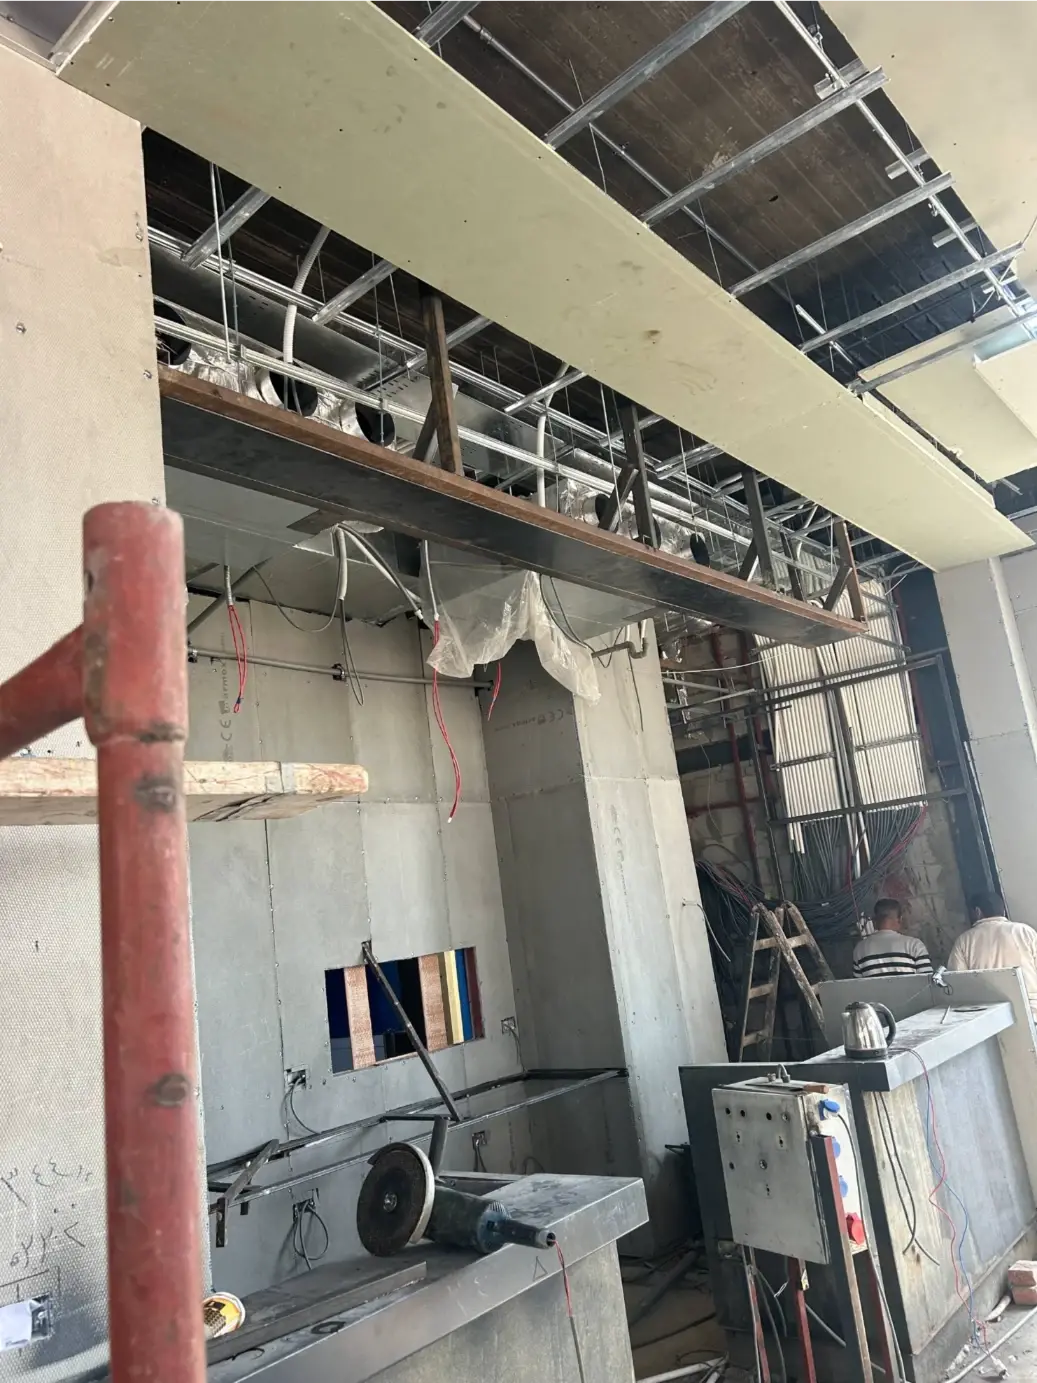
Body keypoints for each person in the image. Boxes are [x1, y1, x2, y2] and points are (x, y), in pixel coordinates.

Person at [947, 891, 1037, 1021]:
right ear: (1003, 911)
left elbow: (958, 984)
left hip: (993, 1018)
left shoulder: (964, 941)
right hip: (1032, 1012)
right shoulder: (1025, 932)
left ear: (977, 912)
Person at [852, 898, 932, 978]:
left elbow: (858, 984)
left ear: (874, 921)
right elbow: (927, 981)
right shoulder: (915, 945)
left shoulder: (860, 949)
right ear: (900, 919)